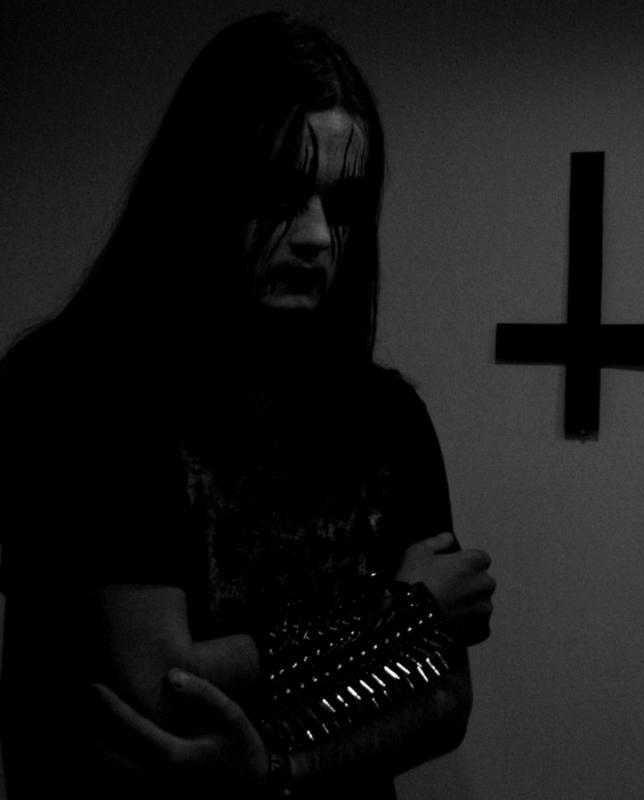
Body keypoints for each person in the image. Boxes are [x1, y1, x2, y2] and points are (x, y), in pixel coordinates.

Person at [0, 11, 495, 800]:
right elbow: (158, 687)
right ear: (202, 189)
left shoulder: (385, 418)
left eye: (342, 205)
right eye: (280, 194)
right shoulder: (81, 389)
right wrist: (401, 614)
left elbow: (441, 699)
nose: (317, 237)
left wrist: (277, 767)